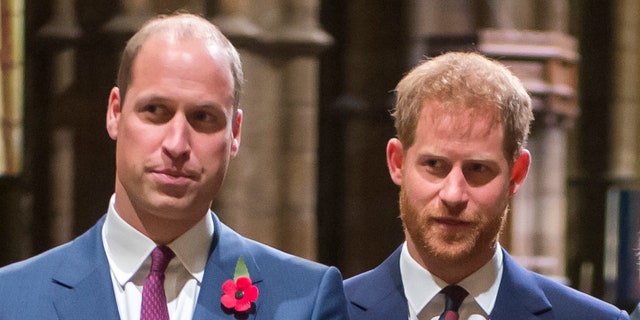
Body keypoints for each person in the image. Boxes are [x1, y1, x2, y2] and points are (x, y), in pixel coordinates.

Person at [0, 13, 349, 319]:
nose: (177, 144)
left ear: (235, 133)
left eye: (203, 117)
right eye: (155, 111)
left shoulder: (306, 302)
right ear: (115, 113)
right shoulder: (13, 298)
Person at [343, 52, 629, 319]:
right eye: (434, 165)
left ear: (516, 174)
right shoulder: (330, 312)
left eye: (477, 169)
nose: (453, 194)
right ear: (397, 163)